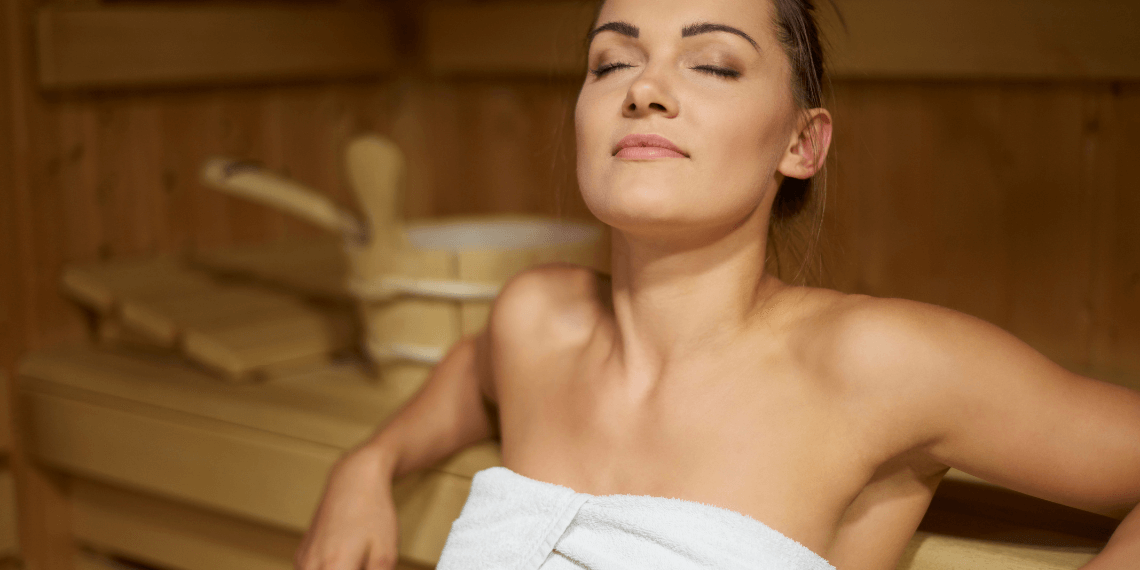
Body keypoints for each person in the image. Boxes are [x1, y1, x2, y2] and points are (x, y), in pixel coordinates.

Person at [295, 0, 1140, 568]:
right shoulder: (538, 320)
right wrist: (369, 465)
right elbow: (470, 376)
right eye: (610, 62)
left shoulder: (876, 364)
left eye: (713, 65)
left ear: (802, 144)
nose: (645, 90)